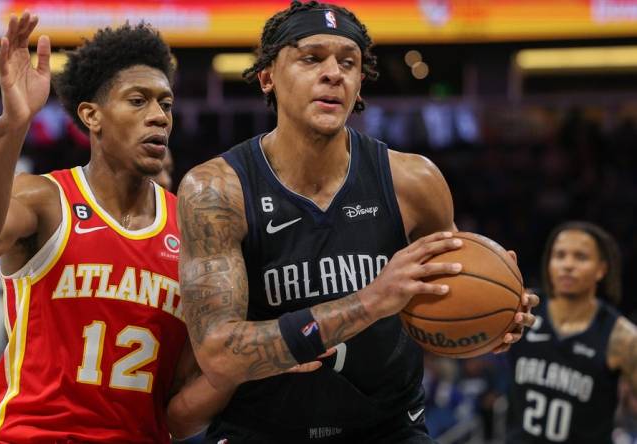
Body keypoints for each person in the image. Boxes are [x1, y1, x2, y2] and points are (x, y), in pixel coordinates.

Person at [176, 1, 539, 442]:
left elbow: (441, 308)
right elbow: (218, 355)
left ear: (360, 81)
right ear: (268, 75)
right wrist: (370, 302)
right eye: (311, 57)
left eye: (348, 62)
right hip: (264, 429)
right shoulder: (216, 190)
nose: (334, 73)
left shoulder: (414, 179)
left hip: (388, 427)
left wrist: (487, 325)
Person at [0, 12, 226, 443]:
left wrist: (249, 364)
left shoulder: (193, 231)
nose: (158, 116)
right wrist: (12, 125)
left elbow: (179, 412)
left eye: (166, 104)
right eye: (138, 101)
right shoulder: (46, 199)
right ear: (91, 116)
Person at [507, 221, 637, 444]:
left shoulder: (621, 336)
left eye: (581, 257)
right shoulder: (522, 308)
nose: (567, 265)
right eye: (559, 255)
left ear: (601, 269)